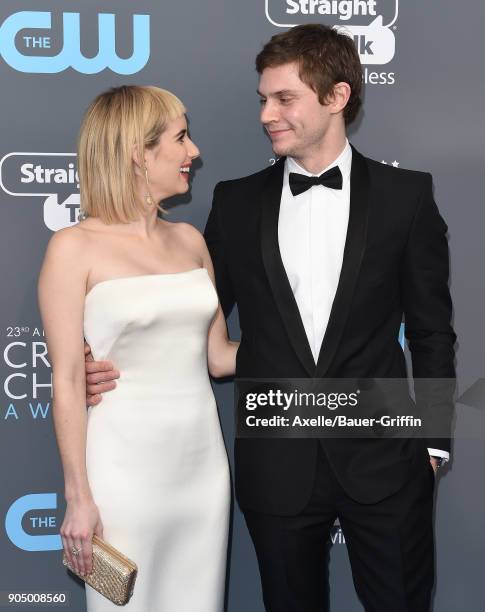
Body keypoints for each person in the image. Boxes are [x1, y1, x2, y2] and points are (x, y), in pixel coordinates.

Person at [86, 25, 456, 612]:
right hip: (275, 462)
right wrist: (100, 359)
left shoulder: (405, 196)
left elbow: (433, 330)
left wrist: (433, 444)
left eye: (284, 99)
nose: (266, 114)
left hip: (386, 461)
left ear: (337, 97)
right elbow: (189, 318)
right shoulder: (236, 204)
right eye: (263, 98)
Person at [38, 85, 236, 611]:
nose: (194, 152)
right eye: (181, 138)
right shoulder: (72, 247)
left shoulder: (191, 241)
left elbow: (220, 358)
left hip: (202, 472)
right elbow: (68, 377)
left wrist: (315, 330)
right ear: (136, 152)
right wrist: (79, 497)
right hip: (119, 476)